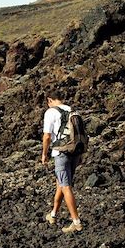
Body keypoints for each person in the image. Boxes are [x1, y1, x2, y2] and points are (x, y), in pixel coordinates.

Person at [42, 92, 83, 233]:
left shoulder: (51, 112)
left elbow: (47, 136)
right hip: (75, 152)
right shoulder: (72, 110)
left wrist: (44, 154)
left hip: (61, 152)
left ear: (49, 100)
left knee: (65, 186)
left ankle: (76, 222)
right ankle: (53, 214)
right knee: (61, 182)